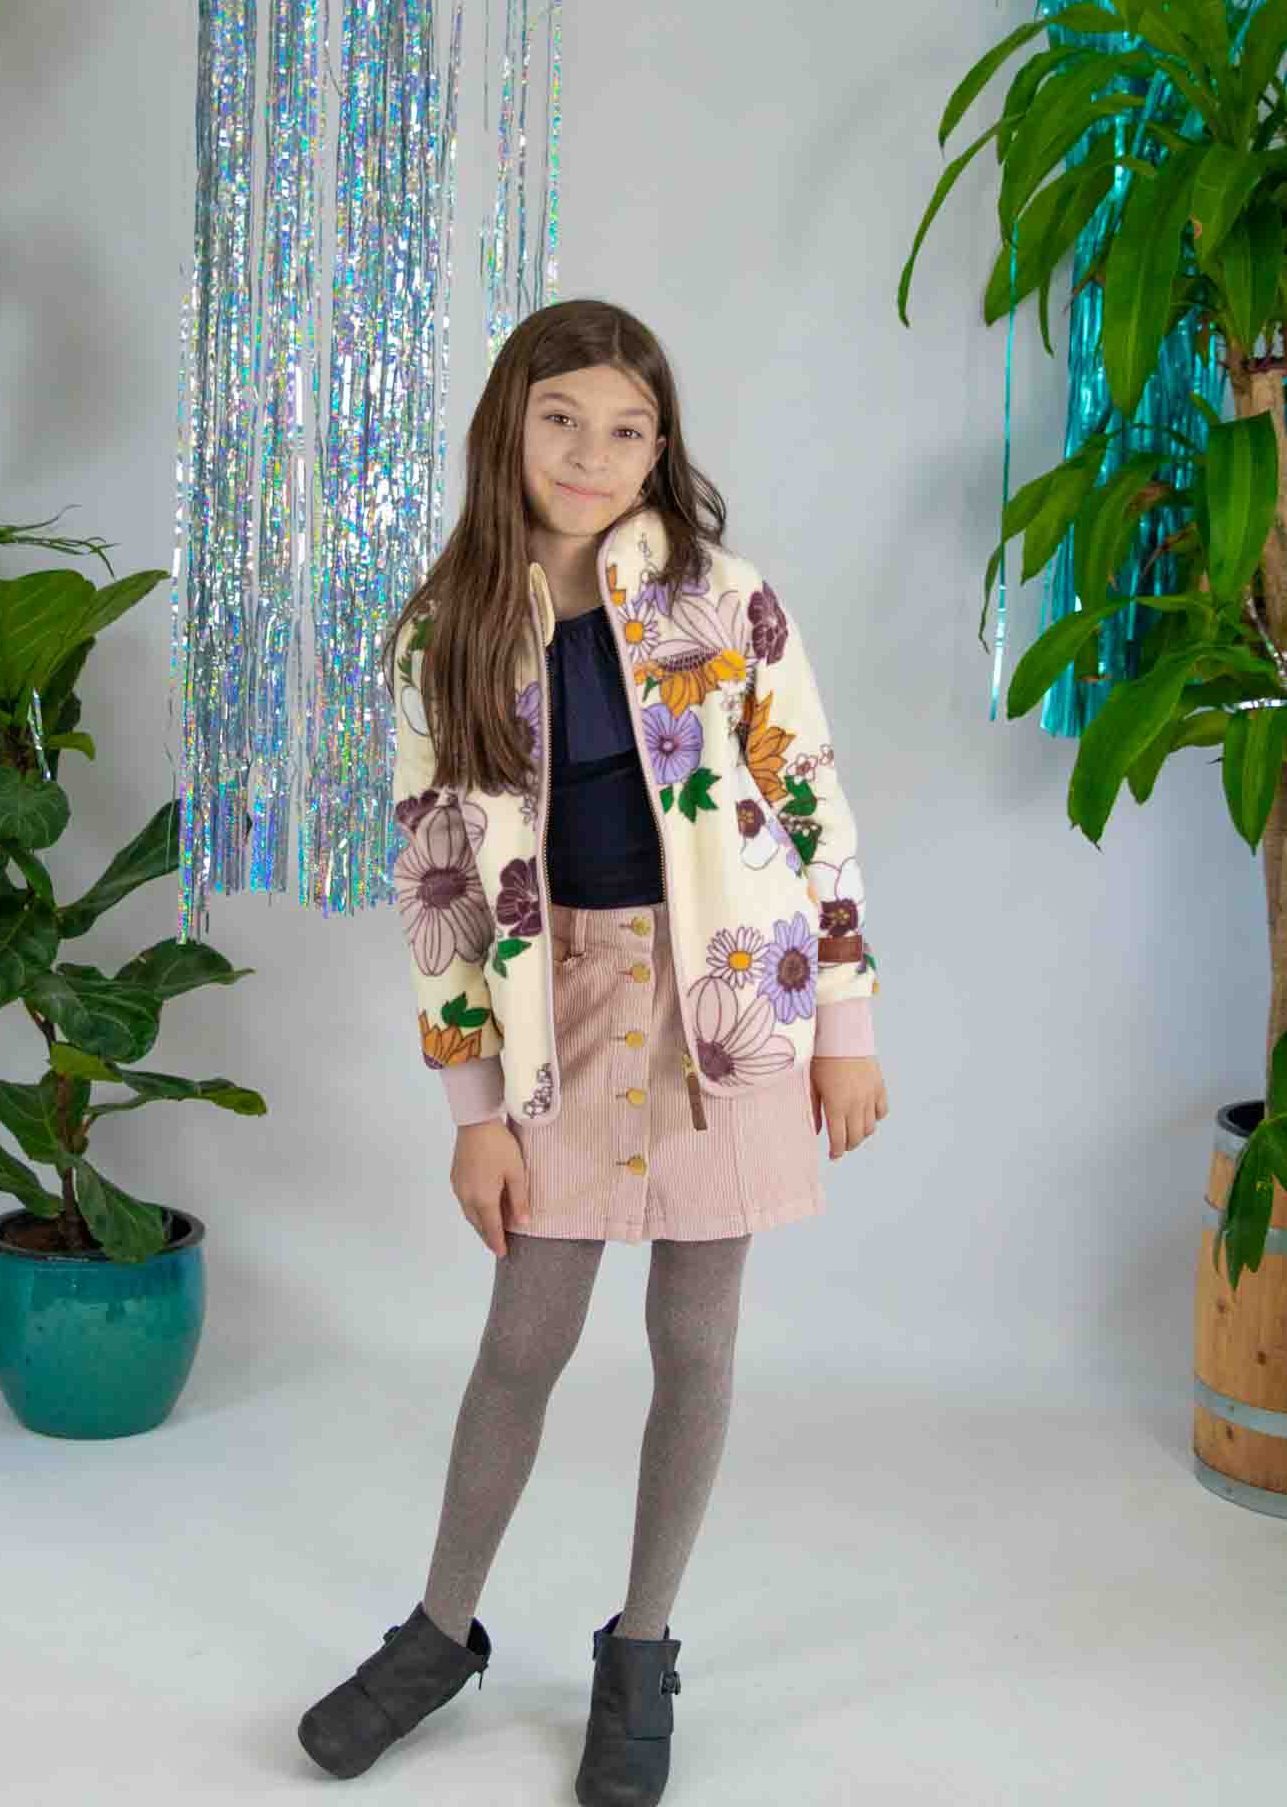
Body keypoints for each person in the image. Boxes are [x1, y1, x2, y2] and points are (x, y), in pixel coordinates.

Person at [298, 298, 888, 1802]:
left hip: (728, 1004)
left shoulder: (727, 601)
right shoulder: (445, 634)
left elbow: (813, 808)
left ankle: (641, 1648)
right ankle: (439, 1635)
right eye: (561, 419)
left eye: (628, 429)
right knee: (525, 1340)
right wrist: (471, 1111)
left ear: (661, 448)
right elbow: (436, 882)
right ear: (509, 422)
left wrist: (845, 1025)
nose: (591, 454)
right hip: (548, 1011)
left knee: (696, 1341)